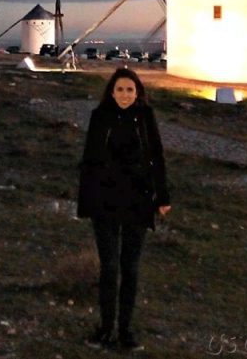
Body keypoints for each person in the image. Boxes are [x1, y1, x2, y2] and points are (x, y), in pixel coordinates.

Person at [77, 68, 171, 352]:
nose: (125, 95)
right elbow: (89, 160)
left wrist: (162, 196)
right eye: (120, 90)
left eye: (130, 90)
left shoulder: (145, 118)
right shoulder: (100, 116)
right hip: (104, 200)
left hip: (137, 201)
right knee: (109, 267)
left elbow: (157, 156)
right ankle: (105, 328)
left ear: (138, 92)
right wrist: (85, 202)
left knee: (130, 268)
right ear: (111, 91)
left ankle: (125, 330)